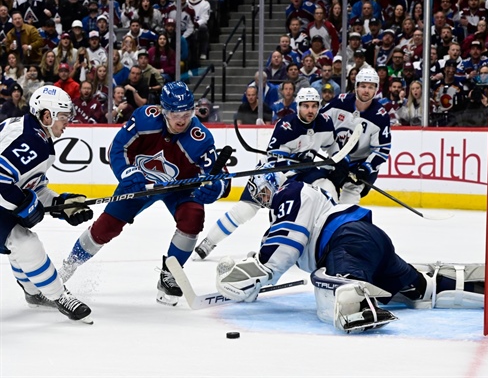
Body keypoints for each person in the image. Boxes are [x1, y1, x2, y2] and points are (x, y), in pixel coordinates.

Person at [215, 173, 485, 334]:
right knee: (419, 289)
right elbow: (277, 246)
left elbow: (282, 249)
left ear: (273, 184)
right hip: (371, 240)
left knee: (337, 291)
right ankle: (486, 288)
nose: (263, 201)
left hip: (347, 244)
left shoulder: (289, 192)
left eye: (262, 192)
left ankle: (354, 294)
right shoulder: (307, 194)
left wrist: (252, 274)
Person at [58, 82, 230, 307]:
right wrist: (127, 172)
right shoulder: (145, 118)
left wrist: (215, 188)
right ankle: (68, 266)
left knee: (193, 216)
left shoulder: (200, 138)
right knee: (105, 228)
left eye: (187, 113)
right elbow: (117, 148)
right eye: (175, 114)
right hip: (139, 184)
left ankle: (170, 275)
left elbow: (220, 175)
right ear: (162, 110)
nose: (181, 120)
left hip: (179, 188)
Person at [194, 87, 339, 260]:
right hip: (276, 173)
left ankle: (326, 242)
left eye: (314, 106)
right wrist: (295, 160)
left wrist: (336, 163)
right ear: (298, 106)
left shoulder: (325, 122)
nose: (310, 110)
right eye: (306, 106)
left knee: (326, 189)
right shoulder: (286, 126)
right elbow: (275, 160)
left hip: (305, 172)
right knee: (245, 209)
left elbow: (332, 147)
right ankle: (209, 242)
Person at [0, 85, 93, 323]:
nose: (67, 122)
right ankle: (59, 296)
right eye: (63, 116)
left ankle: (34, 293)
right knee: (25, 242)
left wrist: (61, 204)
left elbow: (31, 185)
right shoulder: (31, 140)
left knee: (18, 238)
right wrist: (23, 203)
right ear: (46, 115)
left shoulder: (35, 134)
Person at [321, 68, 391, 205]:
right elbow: (320, 125)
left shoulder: (380, 116)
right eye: (363, 86)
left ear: (376, 89)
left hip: (359, 165)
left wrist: (367, 167)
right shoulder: (340, 102)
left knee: (349, 197)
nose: (366, 90)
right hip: (336, 159)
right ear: (356, 86)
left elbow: (382, 149)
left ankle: (346, 223)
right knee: (324, 192)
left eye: (371, 87)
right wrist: (334, 153)